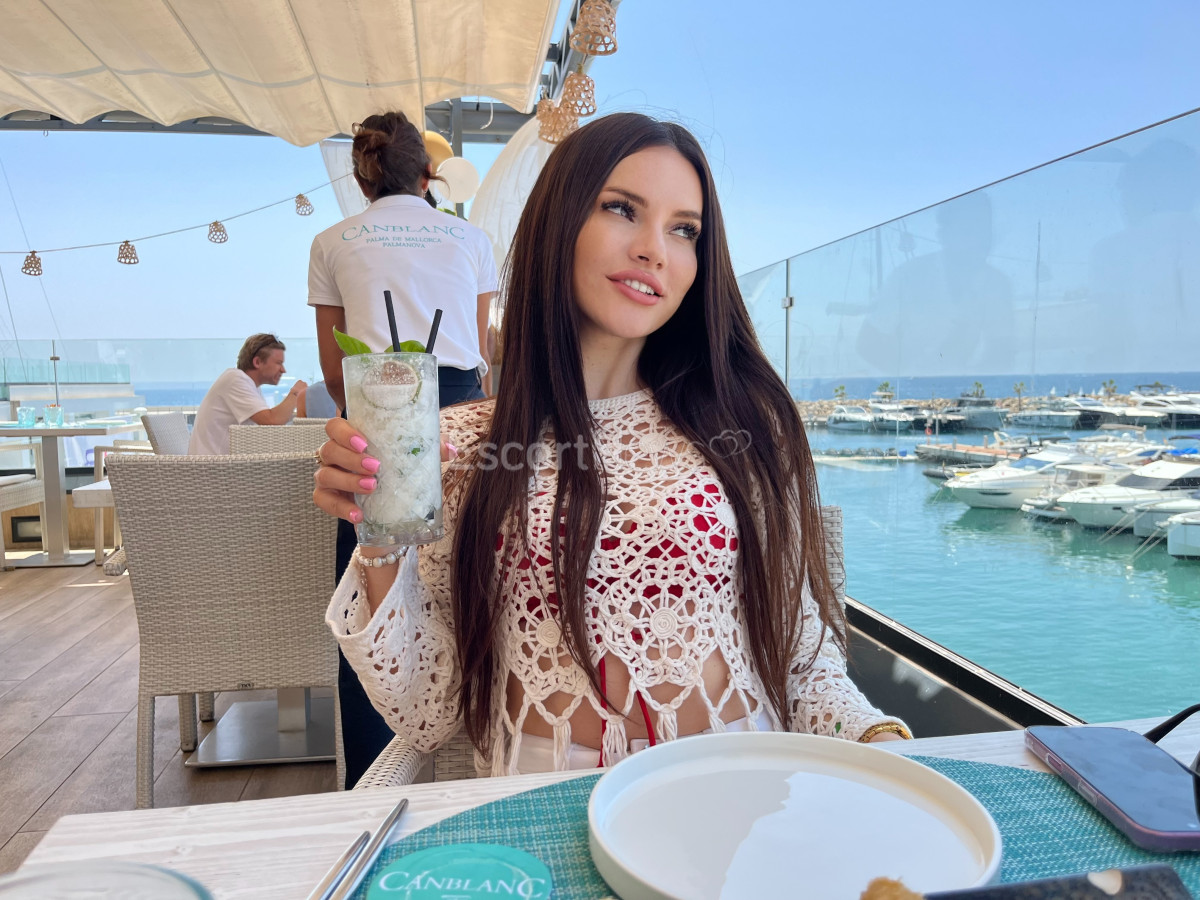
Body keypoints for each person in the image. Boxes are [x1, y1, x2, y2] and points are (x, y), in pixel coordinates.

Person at [313, 113, 910, 778]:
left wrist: (881, 745)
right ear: (560, 222)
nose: (655, 249)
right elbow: (428, 711)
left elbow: (802, 658)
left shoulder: (750, 424)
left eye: (685, 230)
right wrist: (379, 534)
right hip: (542, 801)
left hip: (742, 782)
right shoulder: (463, 445)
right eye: (623, 209)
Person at [307, 110, 499, 786]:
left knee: (376, 598)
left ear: (364, 181)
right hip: (463, 411)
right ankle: (480, 763)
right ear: (428, 175)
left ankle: (372, 785)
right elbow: (479, 349)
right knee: (472, 591)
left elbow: (336, 371)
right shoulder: (471, 238)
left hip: (374, 413)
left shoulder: (331, 241)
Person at [188, 334, 306, 455]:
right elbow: (272, 421)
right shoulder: (235, 379)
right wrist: (296, 393)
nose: (283, 370)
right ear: (257, 362)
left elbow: (267, 426)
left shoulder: (250, 385)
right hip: (214, 464)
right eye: (278, 363)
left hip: (226, 462)